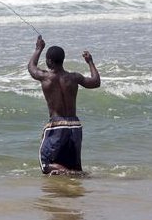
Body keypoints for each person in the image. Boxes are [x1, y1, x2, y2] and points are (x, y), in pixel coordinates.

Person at [28, 35, 100, 175]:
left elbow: (31, 68)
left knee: (46, 165)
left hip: (57, 126)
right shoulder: (74, 77)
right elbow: (96, 82)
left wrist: (38, 49)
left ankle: (67, 172)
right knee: (75, 167)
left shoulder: (45, 77)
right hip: (75, 126)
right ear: (62, 60)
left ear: (49, 61)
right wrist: (90, 62)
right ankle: (73, 179)